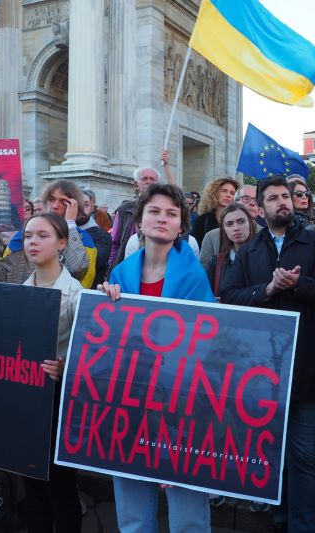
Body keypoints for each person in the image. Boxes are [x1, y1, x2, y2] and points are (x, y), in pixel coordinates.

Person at [220, 176, 315, 533]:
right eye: (272, 198)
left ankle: (302, 526)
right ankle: (280, 516)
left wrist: (300, 286)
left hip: (310, 367)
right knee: (275, 453)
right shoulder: (250, 251)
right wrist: (268, 289)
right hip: (265, 373)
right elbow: (230, 295)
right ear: (261, 207)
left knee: (303, 454)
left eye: (285, 196)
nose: (281, 202)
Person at [98, 183, 214, 533]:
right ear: (139, 221)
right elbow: (110, 344)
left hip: (180, 408)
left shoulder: (194, 275)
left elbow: (204, 348)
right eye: (154, 211)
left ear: (182, 225)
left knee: (187, 513)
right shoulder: (118, 275)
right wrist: (105, 306)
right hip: (130, 403)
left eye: (171, 213)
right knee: (133, 514)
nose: (162, 218)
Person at [19, 213, 82, 533]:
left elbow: (88, 355)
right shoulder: (20, 289)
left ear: (61, 243)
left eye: (42, 235)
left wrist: (65, 366)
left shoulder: (76, 294)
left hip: (59, 400)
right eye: (28, 235)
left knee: (60, 487)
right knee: (31, 485)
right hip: (24, 395)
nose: (32, 242)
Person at [0, 181, 89, 286]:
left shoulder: (82, 238)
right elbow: (0, 280)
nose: (55, 206)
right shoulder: (22, 235)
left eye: (63, 202)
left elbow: (77, 268)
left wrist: (69, 224)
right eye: (51, 199)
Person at [109, 166, 162, 267]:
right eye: (144, 178)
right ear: (136, 185)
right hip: (126, 265)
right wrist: (112, 266)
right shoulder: (124, 210)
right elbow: (114, 242)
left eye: (152, 179)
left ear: (158, 184)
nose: (148, 181)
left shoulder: (164, 209)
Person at [206, 203, 256, 297]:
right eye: (229, 224)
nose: (236, 228)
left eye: (241, 221)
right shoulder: (215, 263)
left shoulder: (266, 258)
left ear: (250, 223)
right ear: (223, 229)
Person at [191, 177, 239, 247]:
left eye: (232, 193)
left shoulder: (240, 220)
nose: (228, 195)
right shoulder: (203, 220)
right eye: (224, 191)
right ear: (215, 193)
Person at [79, 191, 112, 288]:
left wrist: (70, 227)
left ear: (92, 207)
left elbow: (85, 266)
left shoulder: (102, 237)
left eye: (86, 204)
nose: (81, 209)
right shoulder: (59, 232)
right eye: (77, 204)